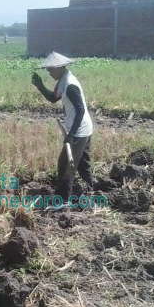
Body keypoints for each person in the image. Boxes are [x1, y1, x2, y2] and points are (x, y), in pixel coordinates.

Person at [31, 51, 94, 205]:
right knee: (83, 165)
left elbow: (80, 111)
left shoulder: (70, 85)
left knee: (65, 166)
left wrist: (71, 135)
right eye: (47, 70)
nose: (49, 72)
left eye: (50, 69)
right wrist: (40, 85)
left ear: (60, 67)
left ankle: (62, 200)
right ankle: (91, 190)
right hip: (83, 129)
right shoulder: (62, 81)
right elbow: (53, 98)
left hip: (79, 131)